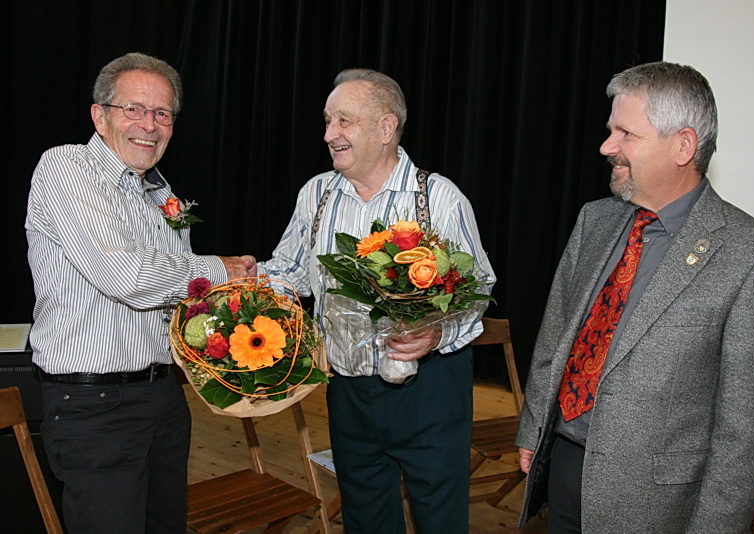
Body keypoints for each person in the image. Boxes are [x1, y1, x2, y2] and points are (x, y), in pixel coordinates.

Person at [516, 61, 754, 533]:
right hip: (563, 467)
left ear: (683, 145)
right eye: (610, 131)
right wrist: (533, 428)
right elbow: (556, 335)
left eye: (626, 133)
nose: (607, 147)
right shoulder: (596, 220)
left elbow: (747, 430)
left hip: (659, 501)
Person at [25, 52, 257, 533]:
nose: (148, 125)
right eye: (134, 109)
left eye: (162, 113)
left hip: (163, 399)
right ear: (100, 115)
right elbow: (126, 276)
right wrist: (221, 271)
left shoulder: (158, 193)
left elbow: (178, 294)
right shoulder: (67, 167)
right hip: (95, 407)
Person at [258, 68, 495, 534]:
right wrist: (243, 287)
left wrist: (438, 331)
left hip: (429, 390)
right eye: (328, 121)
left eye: (344, 121)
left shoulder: (437, 197)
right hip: (348, 391)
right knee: (365, 519)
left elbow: (480, 286)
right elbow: (287, 273)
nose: (330, 134)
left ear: (386, 128)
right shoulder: (317, 194)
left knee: (439, 520)